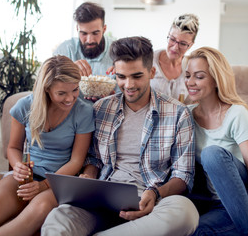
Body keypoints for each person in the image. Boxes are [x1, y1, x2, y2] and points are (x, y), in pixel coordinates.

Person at [42, 36, 199, 236]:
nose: (128, 85)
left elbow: (183, 175)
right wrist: (88, 176)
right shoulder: (101, 108)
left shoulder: (178, 113)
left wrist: (155, 193)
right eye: (121, 77)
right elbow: (94, 159)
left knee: (186, 213)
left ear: (152, 73)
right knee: (58, 218)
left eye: (136, 76)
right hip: (102, 200)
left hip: (152, 201)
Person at [0, 55, 95, 236]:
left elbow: (76, 161)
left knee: (28, 218)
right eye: (62, 93)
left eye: (75, 89)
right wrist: (18, 167)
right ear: (46, 89)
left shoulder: (83, 111)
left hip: (59, 180)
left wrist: (44, 185)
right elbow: (13, 148)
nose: (70, 98)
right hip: (28, 176)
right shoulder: (25, 106)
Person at [184, 47, 248, 235]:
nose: (190, 82)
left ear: (216, 79)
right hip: (223, 206)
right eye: (187, 75)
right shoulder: (186, 117)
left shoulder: (236, 114)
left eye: (199, 76)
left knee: (212, 154)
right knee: (194, 231)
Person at [53, 1, 114, 77]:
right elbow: (48, 81)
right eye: (84, 33)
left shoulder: (117, 52)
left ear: (104, 29)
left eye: (95, 33)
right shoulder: (65, 50)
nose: (89, 40)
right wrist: (68, 70)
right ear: (77, 29)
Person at [150, 14, 199, 103]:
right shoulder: (149, 60)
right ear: (168, 35)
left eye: (183, 44)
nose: (175, 47)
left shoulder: (191, 67)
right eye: (172, 39)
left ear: (190, 45)